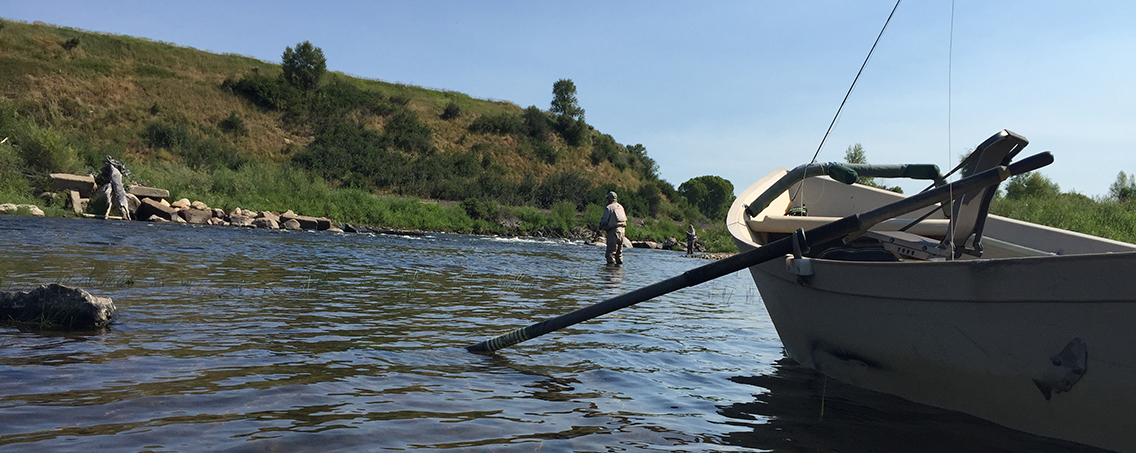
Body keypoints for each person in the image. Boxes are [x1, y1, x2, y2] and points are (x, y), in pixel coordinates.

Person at [598, 191, 627, 265]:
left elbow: (604, 220)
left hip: (613, 232)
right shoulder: (620, 207)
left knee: (610, 254)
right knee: (619, 254)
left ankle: (610, 273)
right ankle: (619, 273)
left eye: (607, 198)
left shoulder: (609, 207)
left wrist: (600, 226)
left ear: (610, 199)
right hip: (622, 232)